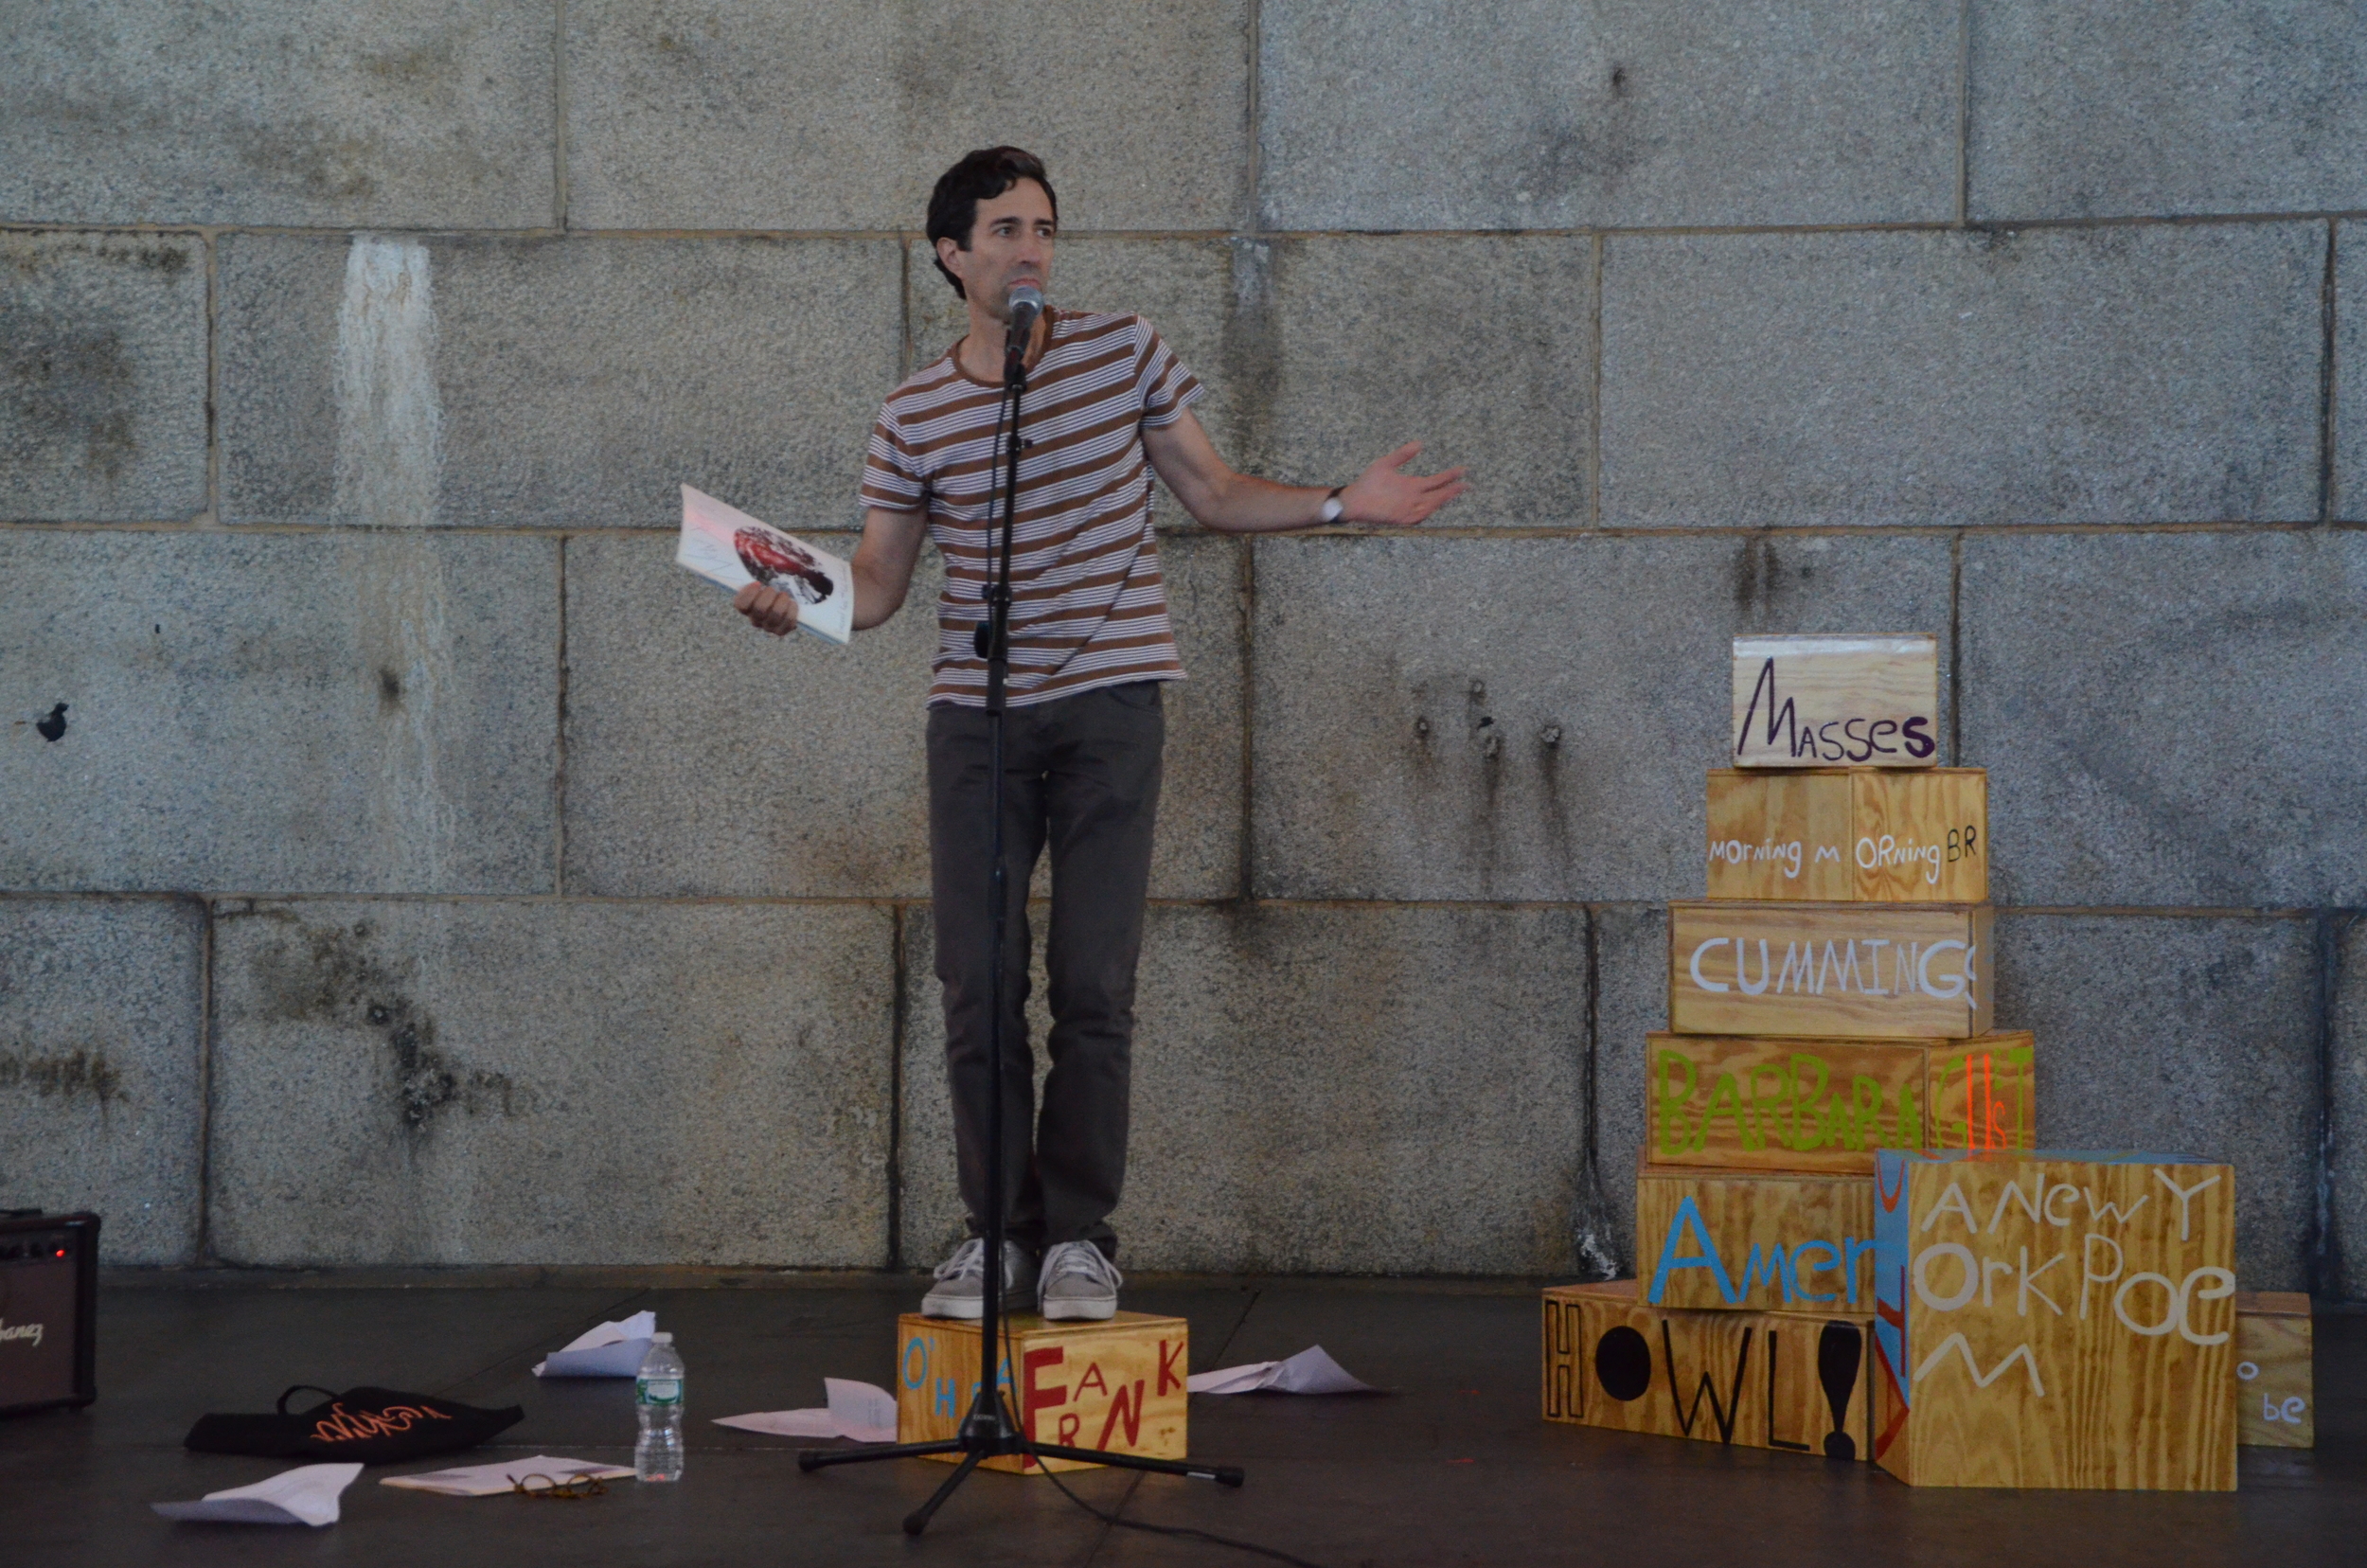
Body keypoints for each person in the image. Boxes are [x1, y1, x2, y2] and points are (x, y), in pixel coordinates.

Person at [736, 147, 1465, 1321]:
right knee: (977, 984)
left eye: (1045, 228)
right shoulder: (915, 409)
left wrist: (1340, 504)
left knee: (1090, 982)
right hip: (975, 721)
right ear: (952, 254)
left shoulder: (1122, 349)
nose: (1031, 249)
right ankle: (994, 1235)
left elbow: (1213, 493)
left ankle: (1076, 1236)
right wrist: (793, 602)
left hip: (1111, 712)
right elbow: (874, 582)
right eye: (1007, 229)